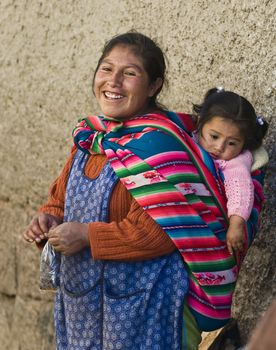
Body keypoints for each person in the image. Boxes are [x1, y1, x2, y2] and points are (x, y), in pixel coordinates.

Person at [22, 32, 266, 350]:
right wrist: (47, 222)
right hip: (83, 303)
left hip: (146, 307)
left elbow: (161, 234)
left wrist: (85, 236)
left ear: (154, 86)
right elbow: (59, 201)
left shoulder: (161, 147)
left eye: (130, 73)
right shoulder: (91, 137)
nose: (114, 81)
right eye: (107, 69)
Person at [192, 87, 268, 255]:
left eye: (232, 143)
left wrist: (236, 225)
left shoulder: (235, 162)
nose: (219, 147)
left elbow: (240, 190)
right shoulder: (188, 139)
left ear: (244, 143)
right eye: (214, 136)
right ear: (200, 123)